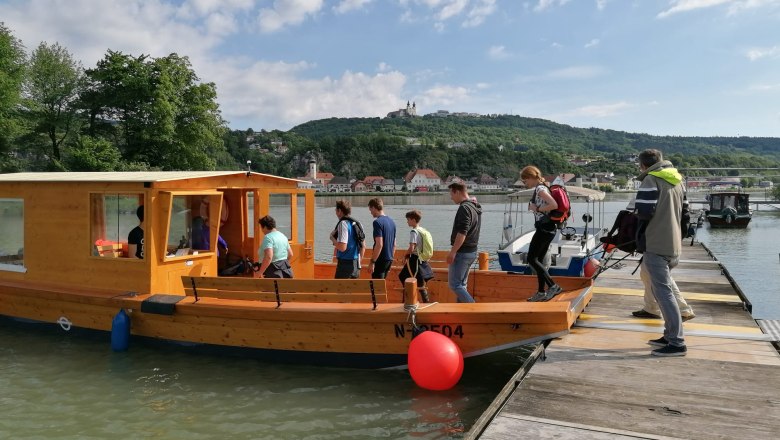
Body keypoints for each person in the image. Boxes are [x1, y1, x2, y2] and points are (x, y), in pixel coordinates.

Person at [635, 148, 687, 357]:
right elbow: (686, 215)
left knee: (664, 294)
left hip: (656, 243)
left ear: (643, 165)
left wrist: (638, 239)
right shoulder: (677, 179)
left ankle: (677, 342)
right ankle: (668, 334)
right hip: (673, 244)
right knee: (660, 291)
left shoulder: (651, 180)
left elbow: (643, 213)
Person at [521, 166, 563, 302]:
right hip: (548, 228)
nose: (524, 183)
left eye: (525, 180)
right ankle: (540, 292)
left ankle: (553, 286)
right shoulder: (541, 187)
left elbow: (554, 205)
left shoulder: (540, 189)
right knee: (538, 260)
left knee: (532, 259)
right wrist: (535, 208)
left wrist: (537, 208)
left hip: (544, 228)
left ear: (531, 177)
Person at [446, 182, 481, 303]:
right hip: (471, 251)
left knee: (454, 285)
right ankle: (462, 312)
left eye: (451, 194)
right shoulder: (474, 206)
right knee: (462, 285)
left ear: (457, 192)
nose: (451, 197)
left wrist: (452, 252)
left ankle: (473, 309)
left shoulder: (464, 208)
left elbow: (462, 233)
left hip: (462, 253)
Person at [398, 210, 434, 303]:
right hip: (421, 259)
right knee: (419, 282)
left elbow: (412, 247)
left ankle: (408, 300)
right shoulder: (422, 230)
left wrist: (405, 256)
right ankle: (423, 302)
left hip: (414, 259)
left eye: (408, 220)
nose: (407, 222)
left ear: (413, 220)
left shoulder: (413, 232)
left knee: (403, 277)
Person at [331, 200, 361, 279]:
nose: (335, 213)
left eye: (336, 210)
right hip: (356, 264)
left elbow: (342, 247)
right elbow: (363, 246)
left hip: (345, 264)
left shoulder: (343, 223)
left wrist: (332, 238)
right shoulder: (357, 223)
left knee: (340, 290)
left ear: (340, 211)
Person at [368, 198, 396, 279]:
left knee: (376, 288)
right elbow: (394, 244)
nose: (371, 213)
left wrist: (372, 262)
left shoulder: (377, 222)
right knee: (381, 287)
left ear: (374, 207)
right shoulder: (392, 222)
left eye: (370, 210)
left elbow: (379, 244)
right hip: (389, 259)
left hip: (380, 260)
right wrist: (391, 259)